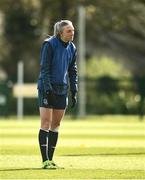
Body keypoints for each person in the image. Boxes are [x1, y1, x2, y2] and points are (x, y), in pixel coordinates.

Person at [37, 20, 78, 169]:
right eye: (69, 31)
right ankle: (45, 160)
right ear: (60, 33)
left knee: (56, 125)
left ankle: (51, 160)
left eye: (73, 30)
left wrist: (74, 90)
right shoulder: (49, 44)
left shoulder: (72, 47)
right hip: (47, 88)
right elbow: (45, 68)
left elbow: (73, 70)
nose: (72, 33)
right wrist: (48, 90)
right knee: (46, 124)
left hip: (62, 89)